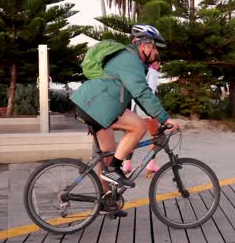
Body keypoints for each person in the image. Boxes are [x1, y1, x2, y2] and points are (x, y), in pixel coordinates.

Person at [70, 24, 179, 192]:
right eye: (156, 49)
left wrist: (156, 115)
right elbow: (142, 92)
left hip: (96, 106)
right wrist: (164, 118)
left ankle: (106, 200)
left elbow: (136, 95)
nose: (157, 54)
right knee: (139, 126)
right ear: (146, 46)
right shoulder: (129, 60)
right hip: (98, 107)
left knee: (107, 157)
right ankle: (115, 168)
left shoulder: (129, 60)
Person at [123, 59, 162, 178]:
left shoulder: (140, 70)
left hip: (134, 108)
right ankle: (150, 166)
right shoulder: (153, 72)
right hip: (145, 109)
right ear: (156, 63)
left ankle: (126, 166)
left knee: (132, 137)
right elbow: (150, 93)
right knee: (158, 137)